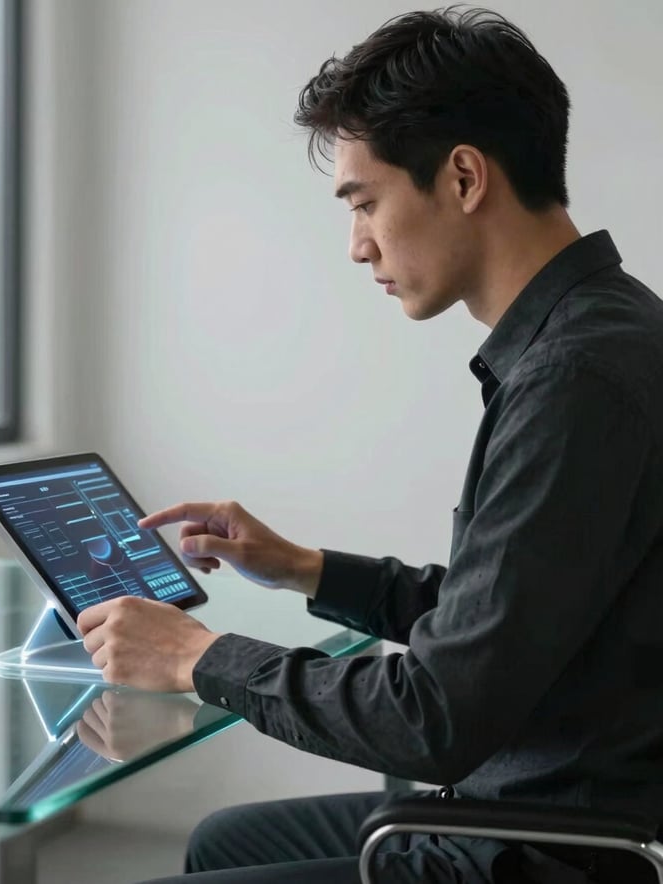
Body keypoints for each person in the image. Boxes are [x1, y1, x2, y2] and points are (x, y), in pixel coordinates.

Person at [76, 7, 663, 883]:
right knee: (223, 841)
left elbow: (434, 717)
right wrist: (309, 568)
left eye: (365, 201)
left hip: (542, 845)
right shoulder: (603, 332)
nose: (357, 246)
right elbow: (500, 620)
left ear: (464, 177)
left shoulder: (574, 380)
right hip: (526, 798)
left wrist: (198, 659)